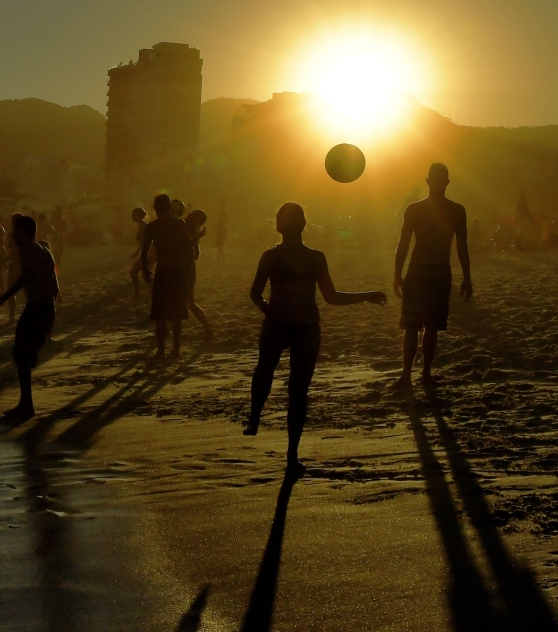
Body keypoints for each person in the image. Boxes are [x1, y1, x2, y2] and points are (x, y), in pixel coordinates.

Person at [244, 203, 386, 476]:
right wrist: (265, 308)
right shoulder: (270, 257)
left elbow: (331, 297)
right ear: (281, 227)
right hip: (278, 324)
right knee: (266, 371)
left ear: (299, 225)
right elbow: (256, 293)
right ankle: (255, 417)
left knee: (298, 392)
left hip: (307, 327)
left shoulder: (316, 257)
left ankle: (292, 454)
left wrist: (365, 295)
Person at [394, 163, 472, 387]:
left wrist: (397, 274)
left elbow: (462, 247)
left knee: (421, 327)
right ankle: (417, 374)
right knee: (423, 327)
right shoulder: (454, 210)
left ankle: (413, 375)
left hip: (422, 271)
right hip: (432, 272)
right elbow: (404, 244)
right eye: (436, 180)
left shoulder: (419, 209)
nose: (437, 184)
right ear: (431, 182)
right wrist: (397, 273)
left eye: (439, 180)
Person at [0, 215, 60, 419]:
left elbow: (26, 276)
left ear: (24, 232)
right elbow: (54, 284)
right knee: (23, 356)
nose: (12, 234)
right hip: (45, 309)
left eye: (16, 230)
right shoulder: (44, 249)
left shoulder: (27, 248)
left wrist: (3, 297)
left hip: (37, 309)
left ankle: (26, 405)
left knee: (20, 356)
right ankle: (25, 403)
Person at [141, 194, 193, 358]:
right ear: (169, 207)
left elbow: (144, 253)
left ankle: (161, 350)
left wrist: (145, 270)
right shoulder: (180, 224)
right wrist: (187, 271)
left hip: (162, 271)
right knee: (177, 313)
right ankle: (176, 349)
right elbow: (189, 252)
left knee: (160, 314)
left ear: (155, 208)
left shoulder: (152, 227)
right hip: (178, 271)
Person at [184, 209, 214, 341]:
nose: (198, 223)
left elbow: (194, 255)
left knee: (189, 303)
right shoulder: (183, 228)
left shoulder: (191, 232)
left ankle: (208, 329)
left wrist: (195, 241)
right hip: (180, 268)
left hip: (187, 269)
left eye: (200, 221)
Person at [129, 207, 152, 298]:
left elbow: (147, 242)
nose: (131, 217)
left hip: (148, 253)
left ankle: (138, 294)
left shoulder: (144, 227)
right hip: (146, 252)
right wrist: (137, 251)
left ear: (138, 216)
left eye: (133, 215)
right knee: (141, 274)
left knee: (135, 273)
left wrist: (141, 252)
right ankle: (137, 294)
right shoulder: (142, 226)